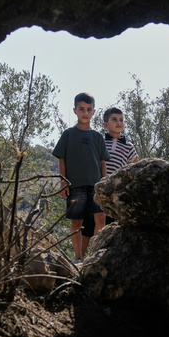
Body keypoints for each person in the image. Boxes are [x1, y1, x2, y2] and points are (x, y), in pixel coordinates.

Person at [53, 93, 109, 261]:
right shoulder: (68, 134)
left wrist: (104, 183)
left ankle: (95, 255)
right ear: (75, 110)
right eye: (81, 109)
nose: (85, 113)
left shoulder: (98, 137)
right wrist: (63, 181)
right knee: (76, 222)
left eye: (89, 109)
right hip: (74, 185)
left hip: (95, 186)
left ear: (94, 112)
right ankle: (78, 258)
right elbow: (61, 158)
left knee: (101, 218)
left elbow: (102, 161)